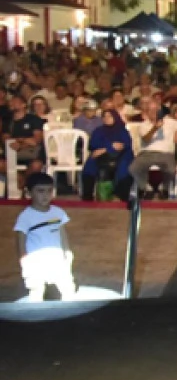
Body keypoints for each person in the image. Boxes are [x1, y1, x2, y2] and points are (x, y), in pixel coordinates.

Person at [14, 172, 75, 302]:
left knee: (68, 289)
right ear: (29, 193)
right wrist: (24, 263)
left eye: (49, 191)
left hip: (58, 261)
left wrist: (67, 253)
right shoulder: (25, 217)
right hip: (35, 263)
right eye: (40, 191)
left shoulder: (58, 212)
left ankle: (69, 313)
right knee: (36, 292)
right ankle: (35, 314)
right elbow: (20, 241)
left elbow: (63, 234)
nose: (46, 195)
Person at [128, 99, 177, 199]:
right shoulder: (143, 125)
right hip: (146, 153)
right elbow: (146, 139)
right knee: (133, 168)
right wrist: (155, 128)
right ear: (147, 112)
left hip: (166, 153)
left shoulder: (169, 122)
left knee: (171, 170)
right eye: (151, 110)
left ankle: (164, 188)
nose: (154, 113)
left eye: (156, 110)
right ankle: (146, 187)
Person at [81, 109, 132, 201]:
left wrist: (105, 148)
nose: (106, 118)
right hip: (101, 156)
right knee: (90, 162)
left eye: (109, 116)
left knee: (124, 165)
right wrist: (110, 147)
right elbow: (93, 145)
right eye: (104, 116)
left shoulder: (122, 131)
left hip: (121, 155)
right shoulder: (98, 131)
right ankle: (87, 195)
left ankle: (120, 195)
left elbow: (123, 146)